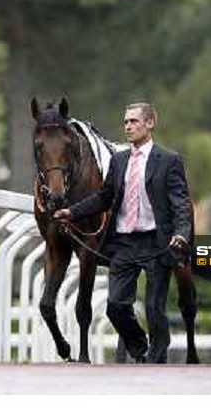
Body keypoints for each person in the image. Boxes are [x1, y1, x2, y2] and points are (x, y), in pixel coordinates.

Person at [54, 102, 192, 364]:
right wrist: (71, 212)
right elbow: (104, 197)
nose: (128, 126)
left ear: (150, 124)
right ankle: (140, 348)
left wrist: (181, 234)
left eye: (134, 121)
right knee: (115, 307)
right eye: (126, 122)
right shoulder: (118, 161)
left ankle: (156, 359)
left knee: (154, 309)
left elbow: (181, 204)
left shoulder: (169, 161)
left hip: (157, 243)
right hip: (124, 242)